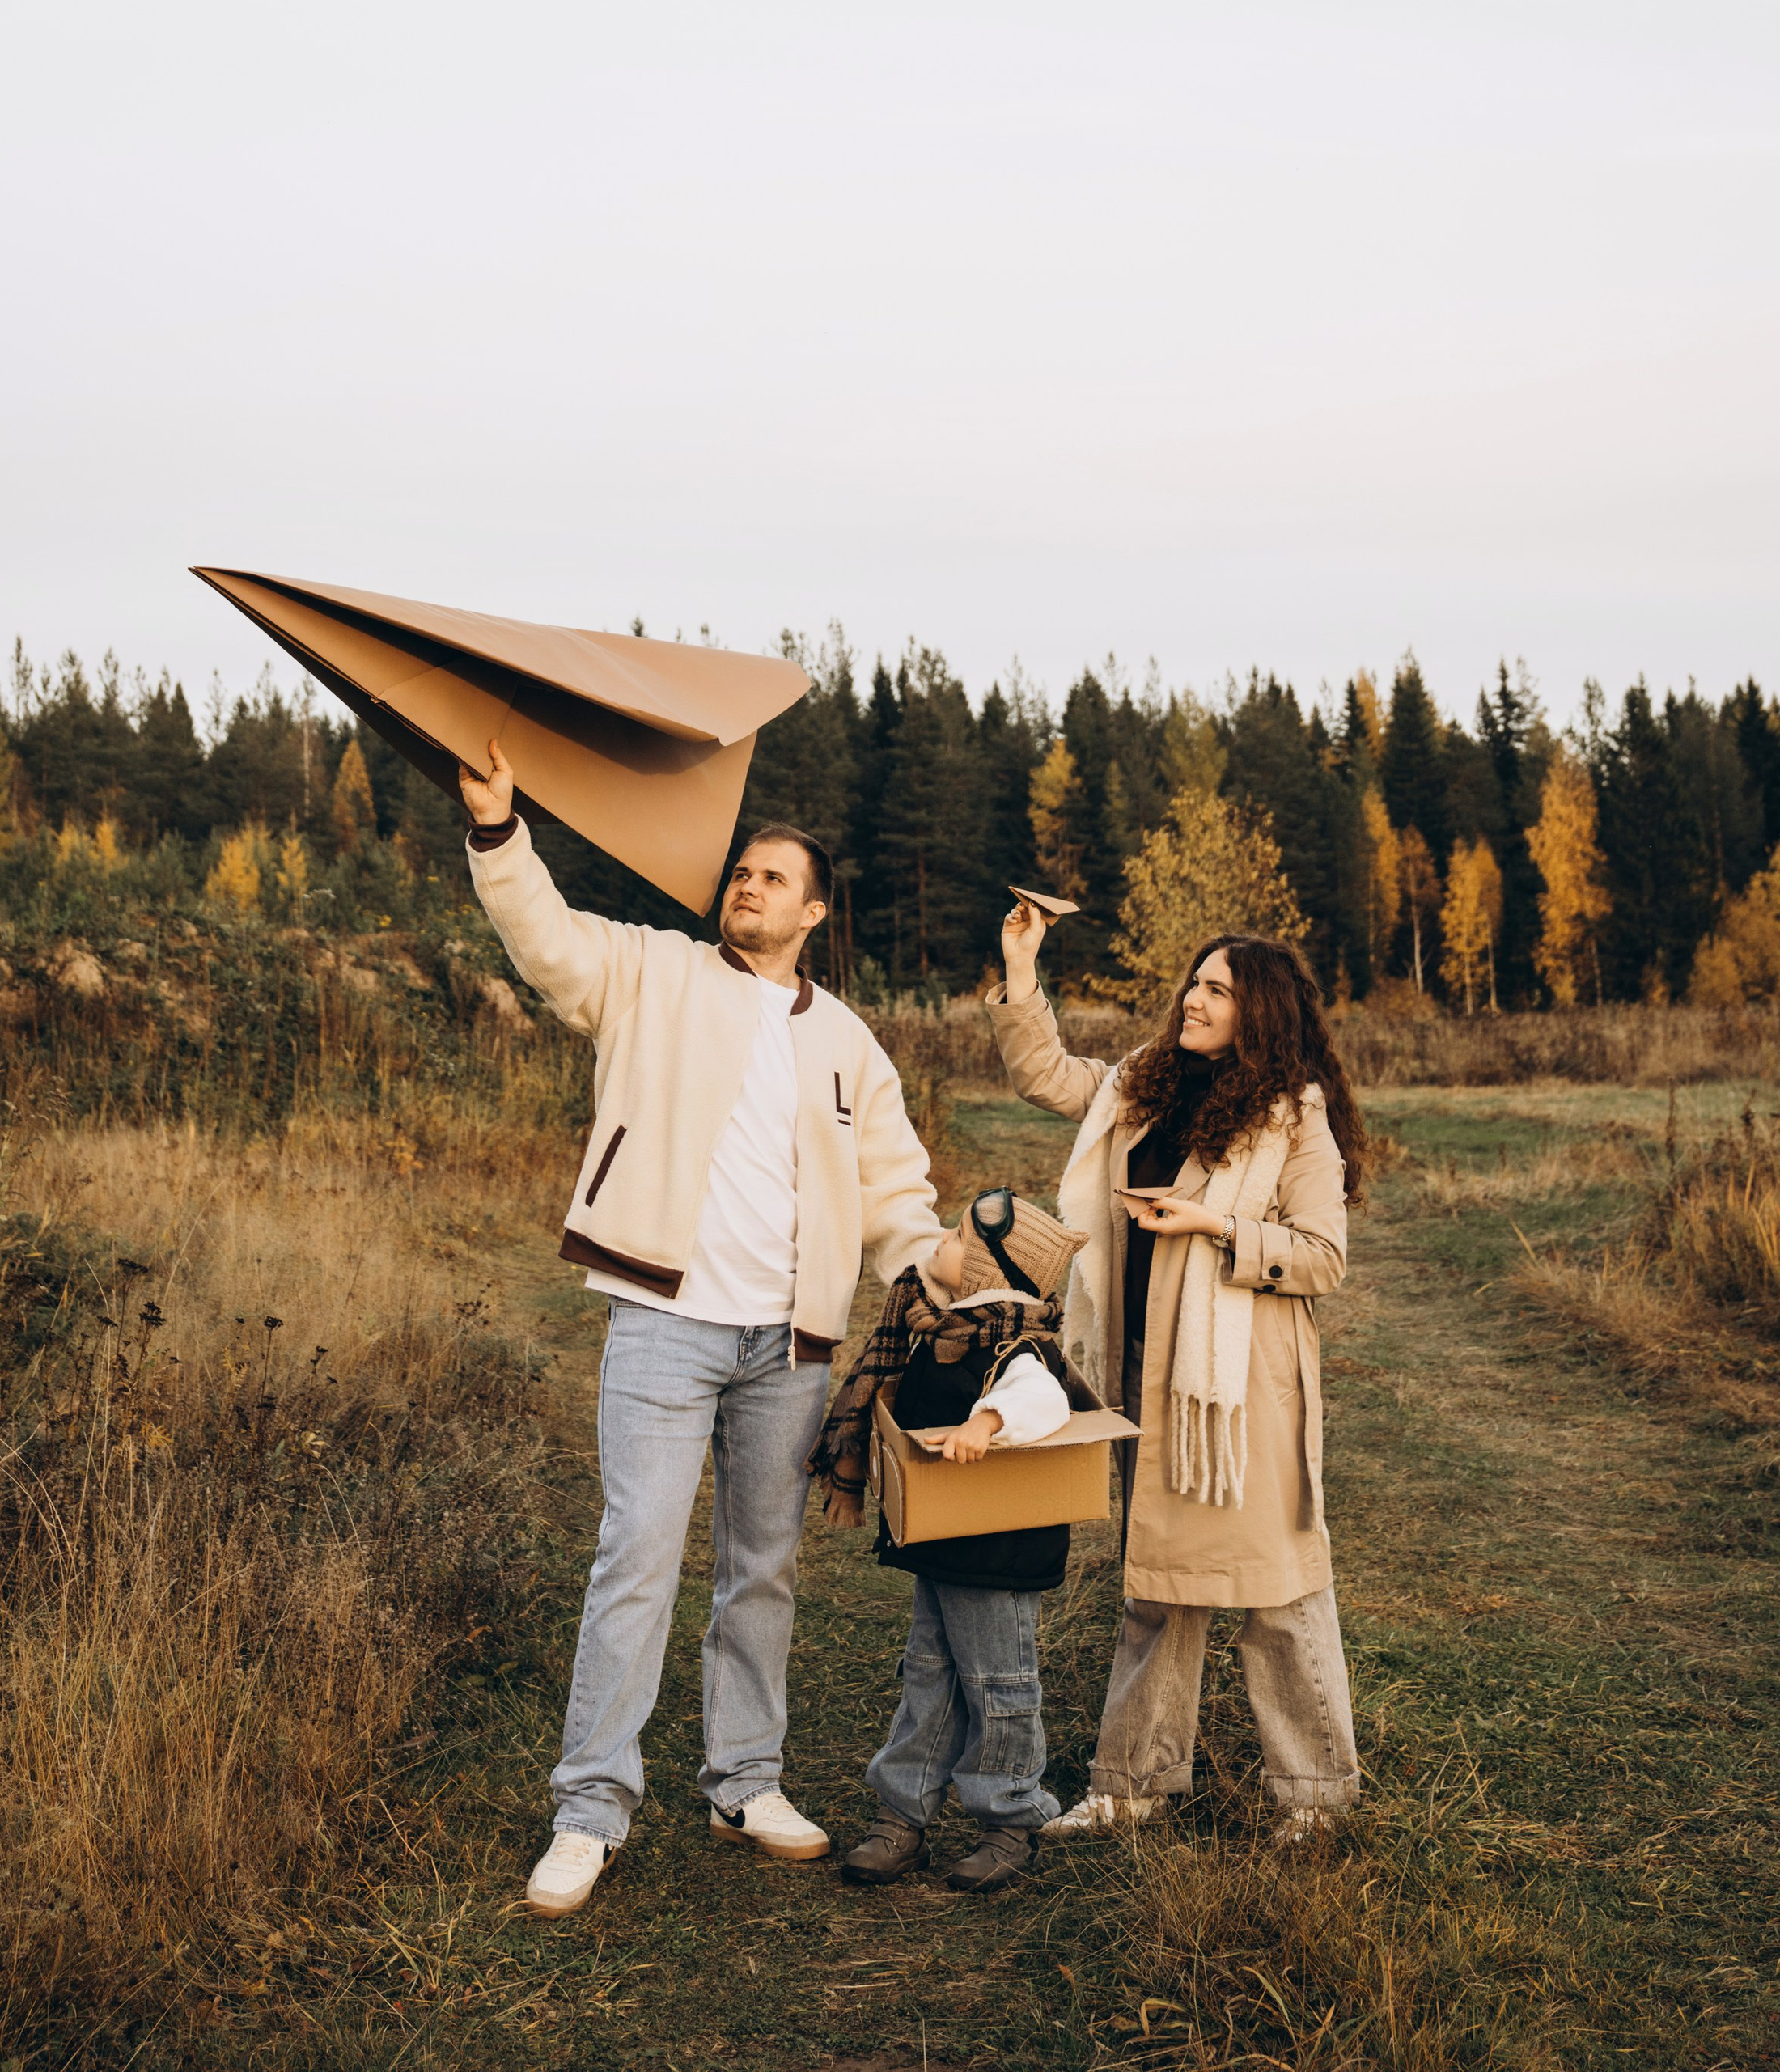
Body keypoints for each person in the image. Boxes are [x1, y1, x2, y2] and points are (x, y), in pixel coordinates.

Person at [454, 739, 963, 1917]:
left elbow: (893, 1189)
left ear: (815, 910)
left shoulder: (847, 1041)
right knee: (634, 1557)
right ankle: (590, 1809)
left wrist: (932, 1263)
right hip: (664, 1325)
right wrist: (498, 831)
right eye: (741, 869)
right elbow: (547, 940)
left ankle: (746, 1781)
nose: (748, 884)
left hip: (788, 1348)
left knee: (761, 1572)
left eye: (774, 876)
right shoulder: (652, 973)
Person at [988, 911, 1367, 1844]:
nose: (1193, 1000)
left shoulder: (1293, 1116)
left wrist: (1215, 1228)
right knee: (1156, 1582)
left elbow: (1323, 1256)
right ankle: (1131, 1787)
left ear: (1261, 1013)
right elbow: (1047, 1074)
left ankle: (1314, 1798)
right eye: (1192, 984)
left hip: (1236, 1390)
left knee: (1275, 1592)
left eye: (1217, 990)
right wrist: (1021, 968)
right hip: (1138, 1364)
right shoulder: (1142, 1085)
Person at [814, 1189, 1089, 1893]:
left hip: (999, 1552)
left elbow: (1042, 1399)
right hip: (941, 1544)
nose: (940, 1237)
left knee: (999, 1684)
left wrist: (986, 1424)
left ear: (988, 1271)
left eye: (957, 1235)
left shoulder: (1015, 1341)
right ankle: (903, 1815)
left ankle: (1011, 1819)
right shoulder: (936, 1329)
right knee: (928, 1676)